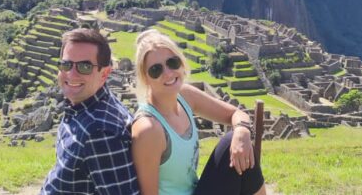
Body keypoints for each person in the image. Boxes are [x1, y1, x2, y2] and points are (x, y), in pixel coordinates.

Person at [131, 29, 267, 195]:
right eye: (156, 70)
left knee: (238, 143)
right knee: (231, 143)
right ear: (145, 78)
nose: (167, 73)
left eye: (172, 63)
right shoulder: (149, 129)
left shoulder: (185, 95)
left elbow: (235, 114)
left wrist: (242, 131)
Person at [41, 28, 140, 194]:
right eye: (66, 64)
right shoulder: (84, 106)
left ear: (105, 73)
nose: (71, 74)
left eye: (85, 67)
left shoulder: (100, 133)